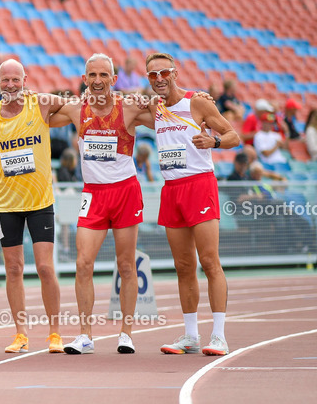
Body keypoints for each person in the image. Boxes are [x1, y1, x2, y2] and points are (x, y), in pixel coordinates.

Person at [46, 54, 158, 355]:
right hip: (93, 195)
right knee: (83, 263)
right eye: (92, 75)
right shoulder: (75, 109)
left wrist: (181, 98)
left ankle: (126, 334)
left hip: (125, 192)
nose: (98, 81)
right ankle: (85, 335)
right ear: (84, 79)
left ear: (114, 79)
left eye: (103, 75)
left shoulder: (129, 107)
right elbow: (38, 116)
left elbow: (166, 116)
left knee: (126, 264)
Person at [0, 59, 68, 353]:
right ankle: (21, 333)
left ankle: (55, 333)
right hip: (7, 205)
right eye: (5, 80)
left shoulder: (41, 103)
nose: (10, 85)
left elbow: (76, 108)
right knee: (13, 268)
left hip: (40, 201)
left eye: (15, 79)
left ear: (25, 80)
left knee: (45, 267)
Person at [144, 53, 240, 356]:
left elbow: (233, 136)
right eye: (152, 75)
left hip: (199, 185)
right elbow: (120, 104)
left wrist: (213, 142)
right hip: (171, 189)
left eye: (164, 72)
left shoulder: (197, 102)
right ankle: (190, 336)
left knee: (209, 261)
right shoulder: (153, 107)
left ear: (175, 73)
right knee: (183, 266)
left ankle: (219, 336)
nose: (159, 78)